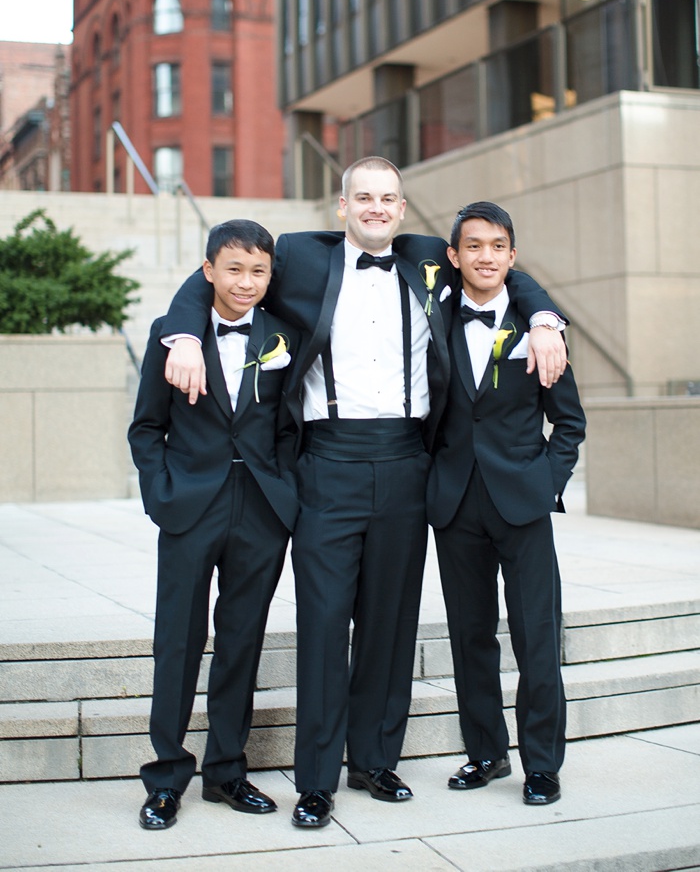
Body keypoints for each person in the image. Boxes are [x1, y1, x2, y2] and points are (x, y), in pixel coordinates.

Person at [158, 157, 568, 828]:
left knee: (389, 622)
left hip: (408, 462)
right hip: (327, 461)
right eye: (364, 197)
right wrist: (182, 334)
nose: (377, 207)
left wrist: (546, 318)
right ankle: (316, 780)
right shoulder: (297, 257)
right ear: (342, 206)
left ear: (403, 209)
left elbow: (503, 270)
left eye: (389, 198)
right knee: (323, 624)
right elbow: (222, 269)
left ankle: (375, 761)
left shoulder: (430, 256)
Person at [128, 219, 299, 830]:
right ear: (207, 272)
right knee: (177, 641)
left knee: (241, 643)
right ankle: (167, 777)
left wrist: (286, 494)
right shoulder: (174, 335)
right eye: (233, 269)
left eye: (258, 271)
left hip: (260, 508)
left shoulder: (284, 336)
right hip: (190, 505)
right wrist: (160, 492)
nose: (246, 282)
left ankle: (227, 771)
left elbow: (289, 423)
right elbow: (146, 427)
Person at [427, 201, 586, 807]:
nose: (485, 256)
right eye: (473, 246)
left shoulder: (540, 330)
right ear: (454, 256)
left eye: (497, 246)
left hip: (522, 503)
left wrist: (546, 481)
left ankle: (541, 763)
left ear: (512, 257)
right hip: (454, 504)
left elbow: (569, 422)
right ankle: (486, 754)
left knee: (536, 636)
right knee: (470, 637)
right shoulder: (434, 318)